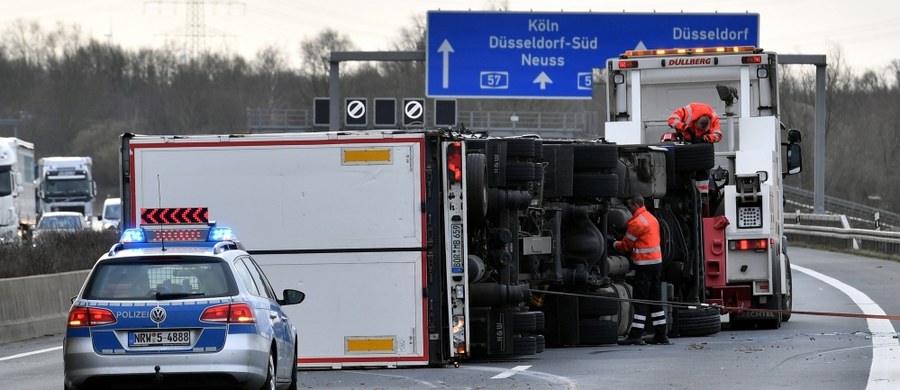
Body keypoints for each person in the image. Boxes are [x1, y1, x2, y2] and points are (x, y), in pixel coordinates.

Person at [612, 194, 669, 345]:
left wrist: (613, 243)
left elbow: (626, 246)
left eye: (629, 206)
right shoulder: (652, 218)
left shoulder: (637, 222)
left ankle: (636, 335)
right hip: (656, 264)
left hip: (644, 266)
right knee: (655, 300)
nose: (629, 210)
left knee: (640, 300)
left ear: (636, 206)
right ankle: (661, 334)